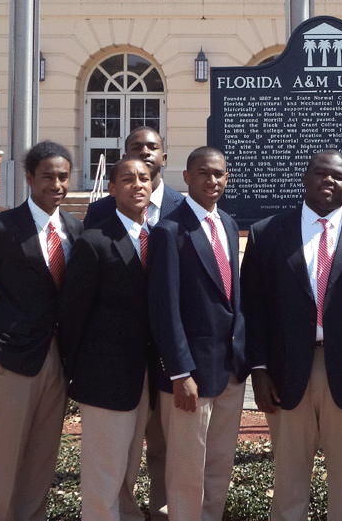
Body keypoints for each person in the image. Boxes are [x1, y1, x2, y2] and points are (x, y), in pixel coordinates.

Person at [241, 149, 342, 521]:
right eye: (320, 174)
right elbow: (254, 308)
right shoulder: (267, 234)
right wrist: (259, 368)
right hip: (286, 371)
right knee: (288, 477)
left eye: (339, 177)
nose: (329, 181)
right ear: (304, 178)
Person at [0, 140, 83, 521]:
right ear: (29, 178)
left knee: (44, 455)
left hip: (59, 359)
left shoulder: (74, 228)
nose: (57, 185)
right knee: (7, 455)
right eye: (48, 177)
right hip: (13, 358)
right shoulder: (1, 227)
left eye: (63, 177)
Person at [83, 125, 183, 520]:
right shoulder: (100, 214)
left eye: (151, 149)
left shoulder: (182, 206)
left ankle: (160, 511)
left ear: (163, 156)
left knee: (165, 447)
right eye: (135, 149)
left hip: (168, 359)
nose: (144, 154)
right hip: (117, 362)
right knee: (116, 452)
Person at [148, 146, 248, 521]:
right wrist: (179, 372)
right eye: (204, 173)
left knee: (219, 467)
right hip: (188, 377)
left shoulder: (229, 224)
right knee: (187, 473)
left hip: (230, 372)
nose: (213, 181)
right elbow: (164, 308)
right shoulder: (169, 231)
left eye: (219, 173)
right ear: (186, 177)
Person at [58, 157, 153, 521]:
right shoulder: (94, 242)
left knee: (128, 465)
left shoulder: (158, 237)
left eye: (144, 178)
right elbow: (72, 314)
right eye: (127, 179)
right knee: (103, 470)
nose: (137, 184)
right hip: (104, 375)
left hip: (145, 373)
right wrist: (76, 370)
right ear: (111, 189)